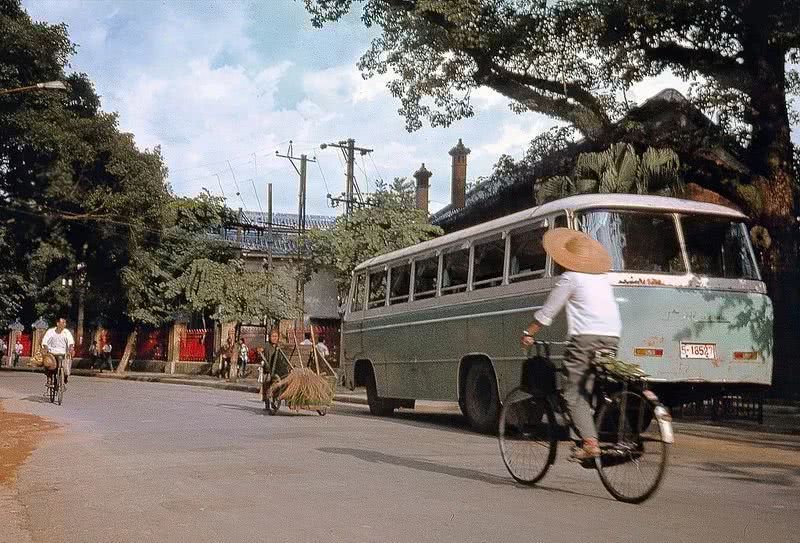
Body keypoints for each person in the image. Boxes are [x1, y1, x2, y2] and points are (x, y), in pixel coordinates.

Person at [520, 228, 621, 462]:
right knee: (591, 384)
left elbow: (548, 312)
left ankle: (590, 443)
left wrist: (529, 333)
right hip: (612, 337)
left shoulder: (571, 278)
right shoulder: (603, 280)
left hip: (585, 339)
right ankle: (590, 422)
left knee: (572, 394)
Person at [42, 317, 75, 386]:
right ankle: (49, 378)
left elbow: (70, 342)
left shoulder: (66, 332)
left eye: (65, 323)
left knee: (67, 365)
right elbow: (45, 341)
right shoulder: (50, 331)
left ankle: (65, 377)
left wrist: (70, 349)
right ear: (57, 323)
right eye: (63, 323)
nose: (64, 324)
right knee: (48, 363)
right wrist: (45, 348)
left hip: (63, 353)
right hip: (52, 353)